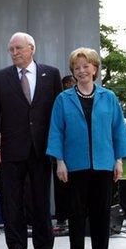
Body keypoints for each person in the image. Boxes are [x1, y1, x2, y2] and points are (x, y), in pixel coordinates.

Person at [46, 47, 126, 249]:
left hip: (104, 163)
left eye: (86, 66)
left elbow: (118, 130)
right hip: (75, 165)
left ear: (95, 69)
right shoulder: (63, 99)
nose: (81, 70)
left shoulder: (109, 97)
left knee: (101, 212)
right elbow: (56, 131)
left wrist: (119, 160)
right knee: (76, 212)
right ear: (73, 72)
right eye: (77, 67)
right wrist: (60, 161)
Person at [0, 32, 61, 249]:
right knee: (11, 201)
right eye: (11, 49)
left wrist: (59, 147)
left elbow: (57, 114)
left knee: (41, 202)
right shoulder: (0, 77)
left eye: (19, 48)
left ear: (32, 49)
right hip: (10, 151)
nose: (15, 53)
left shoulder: (51, 74)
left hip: (41, 149)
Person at [53, 74, 77, 226]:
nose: (70, 87)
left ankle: (73, 216)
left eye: (71, 84)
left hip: (75, 150)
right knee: (61, 186)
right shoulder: (60, 101)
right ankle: (62, 216)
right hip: (61, 151)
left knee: (74, 187)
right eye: (67, 85)